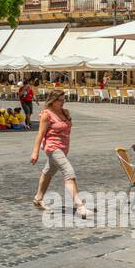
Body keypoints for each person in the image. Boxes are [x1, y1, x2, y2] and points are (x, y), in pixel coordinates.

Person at [30, 90, 89, 218]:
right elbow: (40, 134)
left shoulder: (65, 112)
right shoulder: (47, 114)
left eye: (64, 100)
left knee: (49, 171)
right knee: (69, 172)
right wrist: (35, 152)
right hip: (52, 147)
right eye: (60, 100)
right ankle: (80, 206)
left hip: (64, 148)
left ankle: (38, 198)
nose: (63, 102)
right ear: (53, 100)